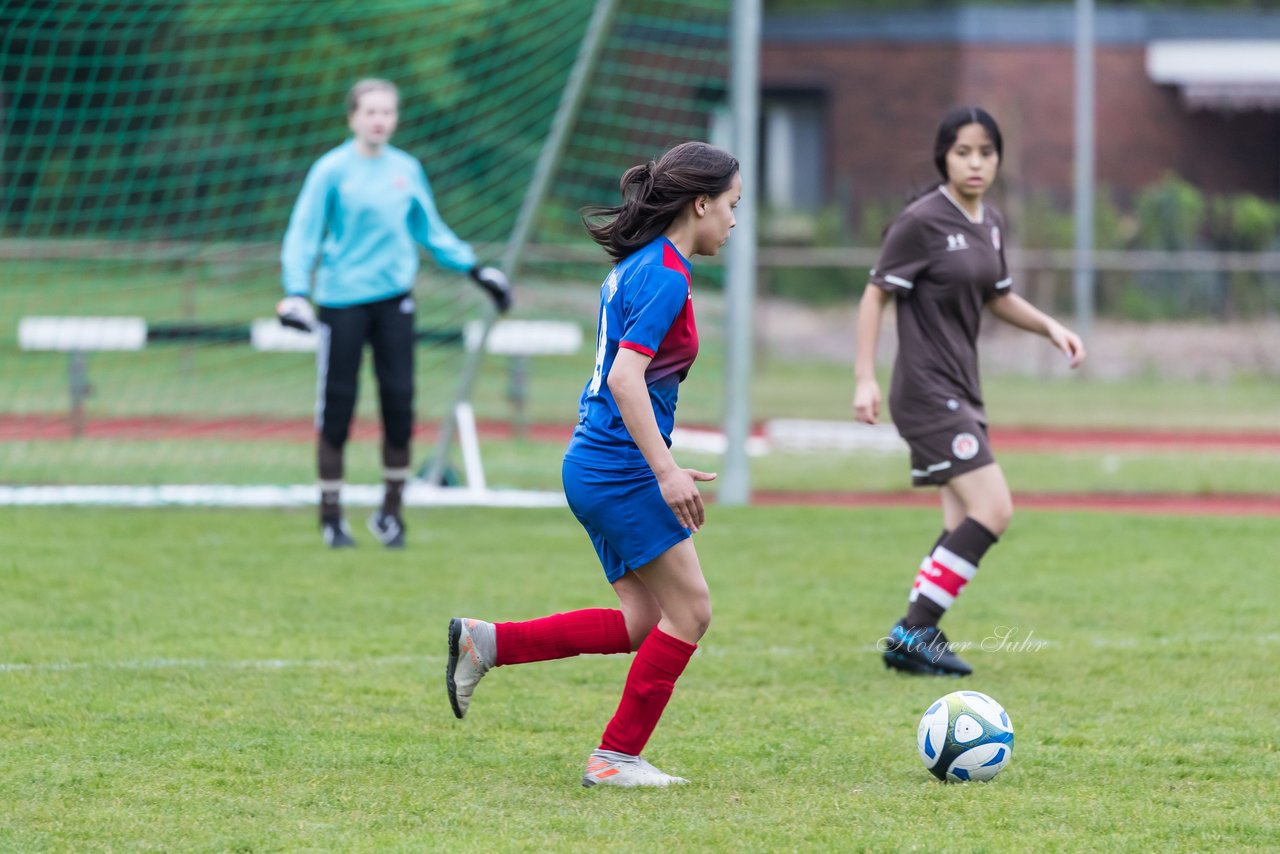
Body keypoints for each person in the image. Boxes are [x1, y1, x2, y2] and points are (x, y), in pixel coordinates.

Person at [446, 141, 740, 788]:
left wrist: (660, 461)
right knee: (690, 612)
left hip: (597, 462)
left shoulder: (640, 265)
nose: (733, 221)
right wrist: (663, 471)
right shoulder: (666, 275)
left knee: (643, 622)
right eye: (731, 205)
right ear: (700, 205)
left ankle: (486, 643)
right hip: (617, 468)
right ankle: (615, 758)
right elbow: (627, 380)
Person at [853, 106, 1086, 676]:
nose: (976, 162)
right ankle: (914, 631)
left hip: (962, 388)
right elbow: (875, 294)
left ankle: (916, 635)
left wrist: (1050, 326)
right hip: (927, 391)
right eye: (963, 151)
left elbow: (998, 295)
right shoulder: (921, 220)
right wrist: (864, 377)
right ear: (944, 157)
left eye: (985, 151)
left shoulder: (992, 222)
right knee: (995, 509)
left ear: (998, 157)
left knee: (963, 520)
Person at [277, 78, 512, 549]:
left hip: (394, 302)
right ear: (353, 117)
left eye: (387, 112)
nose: (379, 119)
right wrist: (296, 291)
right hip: (341, 301)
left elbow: (431, 230)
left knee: (399, 402)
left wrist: (475, 269)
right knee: (338, 405)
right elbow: (303, 232)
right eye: (370, 112)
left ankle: (390, 514)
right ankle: (331, 516)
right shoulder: (331, 170)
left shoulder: (406, 169)